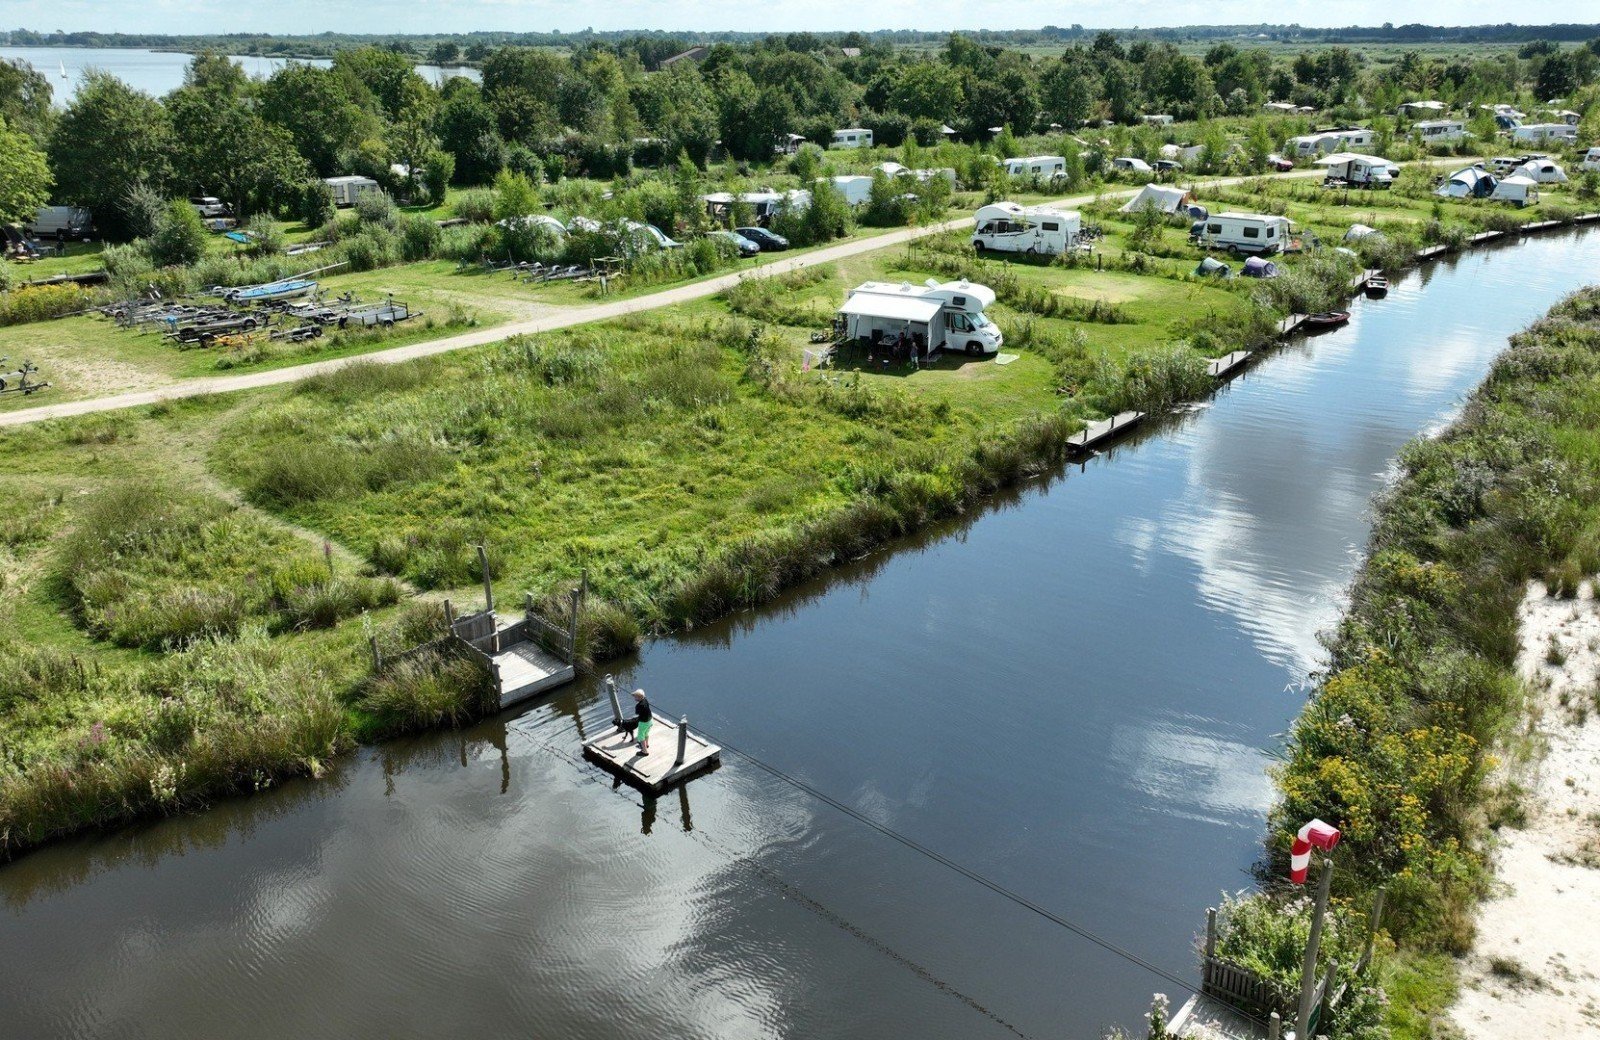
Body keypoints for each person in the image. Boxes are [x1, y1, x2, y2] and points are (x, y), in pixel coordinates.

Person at [628, 688, 654, 754]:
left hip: (644, 723)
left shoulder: (638, 705)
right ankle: (646, 745)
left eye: (635, 696)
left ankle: (644, 751)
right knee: (646, 733)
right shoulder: (645, 700)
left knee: (640, 736)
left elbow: (637, 713)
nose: (634, 697)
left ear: (639, 697)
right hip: (650, 720)